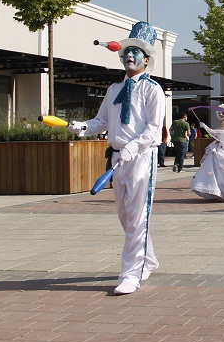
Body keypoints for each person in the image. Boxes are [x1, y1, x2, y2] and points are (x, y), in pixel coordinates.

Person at [66, 21, 165, 295]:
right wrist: (84, 128)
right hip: (117, 159)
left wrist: (134, 148)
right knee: (126, 217)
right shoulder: (113, 90)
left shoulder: (152, 90)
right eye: (127, 52)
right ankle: (147, 259)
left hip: (141, 158)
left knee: (137, 218)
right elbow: (101, 121)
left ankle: (131, 274)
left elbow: (153, 130)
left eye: (136, 52)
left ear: (147, 60)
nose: (130, 56)